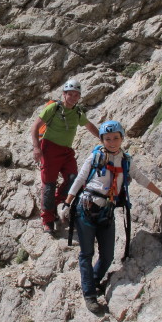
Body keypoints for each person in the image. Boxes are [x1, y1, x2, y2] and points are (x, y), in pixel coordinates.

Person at [59, 120, 162, 313]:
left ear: (122, 138)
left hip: (107, 211)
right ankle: (90, 295)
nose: (111, 142)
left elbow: (142, 179)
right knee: (86, 254)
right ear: (102, 139)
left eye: (115, 138)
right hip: (86, 208)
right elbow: (80, 179)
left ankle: (94, 280)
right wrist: (67, 202)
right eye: (107, 138)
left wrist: (161, 194)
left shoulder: (126, 160)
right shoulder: (95, 156)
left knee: (107, 255)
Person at [30, 79, 99, 235]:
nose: (73, 97)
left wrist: (103, 138)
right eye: (70, 94)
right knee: (49, 185)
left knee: (75, 179)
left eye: (76, 95)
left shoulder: (78, 112)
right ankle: (48, 221)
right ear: (64, 94)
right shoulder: (54, 108)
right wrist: (36, 148)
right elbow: (34, 127)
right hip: (49, 150)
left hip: (67, 152)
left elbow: (89, 126)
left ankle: (54, 203)